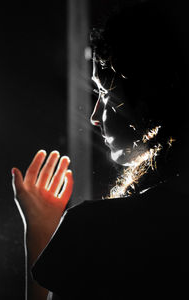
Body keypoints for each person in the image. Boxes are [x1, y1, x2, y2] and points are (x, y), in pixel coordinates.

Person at [12, 1, 189, 299]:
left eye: (105, 92)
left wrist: (41, 229)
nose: (95, 115)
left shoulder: (96, 231)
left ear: (147, 92)